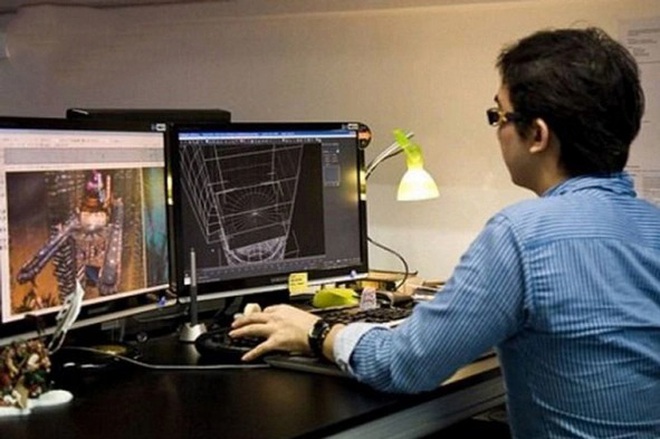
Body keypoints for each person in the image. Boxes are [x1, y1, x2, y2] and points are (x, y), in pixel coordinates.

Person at [230, 27, 660, 438]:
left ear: (537, 134)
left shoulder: (521, 236)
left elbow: (407, 365)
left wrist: (317, 332)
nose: (497, 130)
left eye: (498, 116)